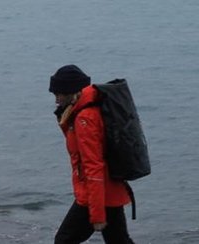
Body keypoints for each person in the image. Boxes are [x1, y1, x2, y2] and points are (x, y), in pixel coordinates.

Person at [49, 64, 135, 244]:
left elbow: (93, 166)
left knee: (63, 241)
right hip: (110, 189)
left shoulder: (84, 119)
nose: (57, 100)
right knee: (119, 241)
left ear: (72, 92)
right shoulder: (89, 109)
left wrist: (97, 214)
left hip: (96, 196)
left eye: (59, 93)